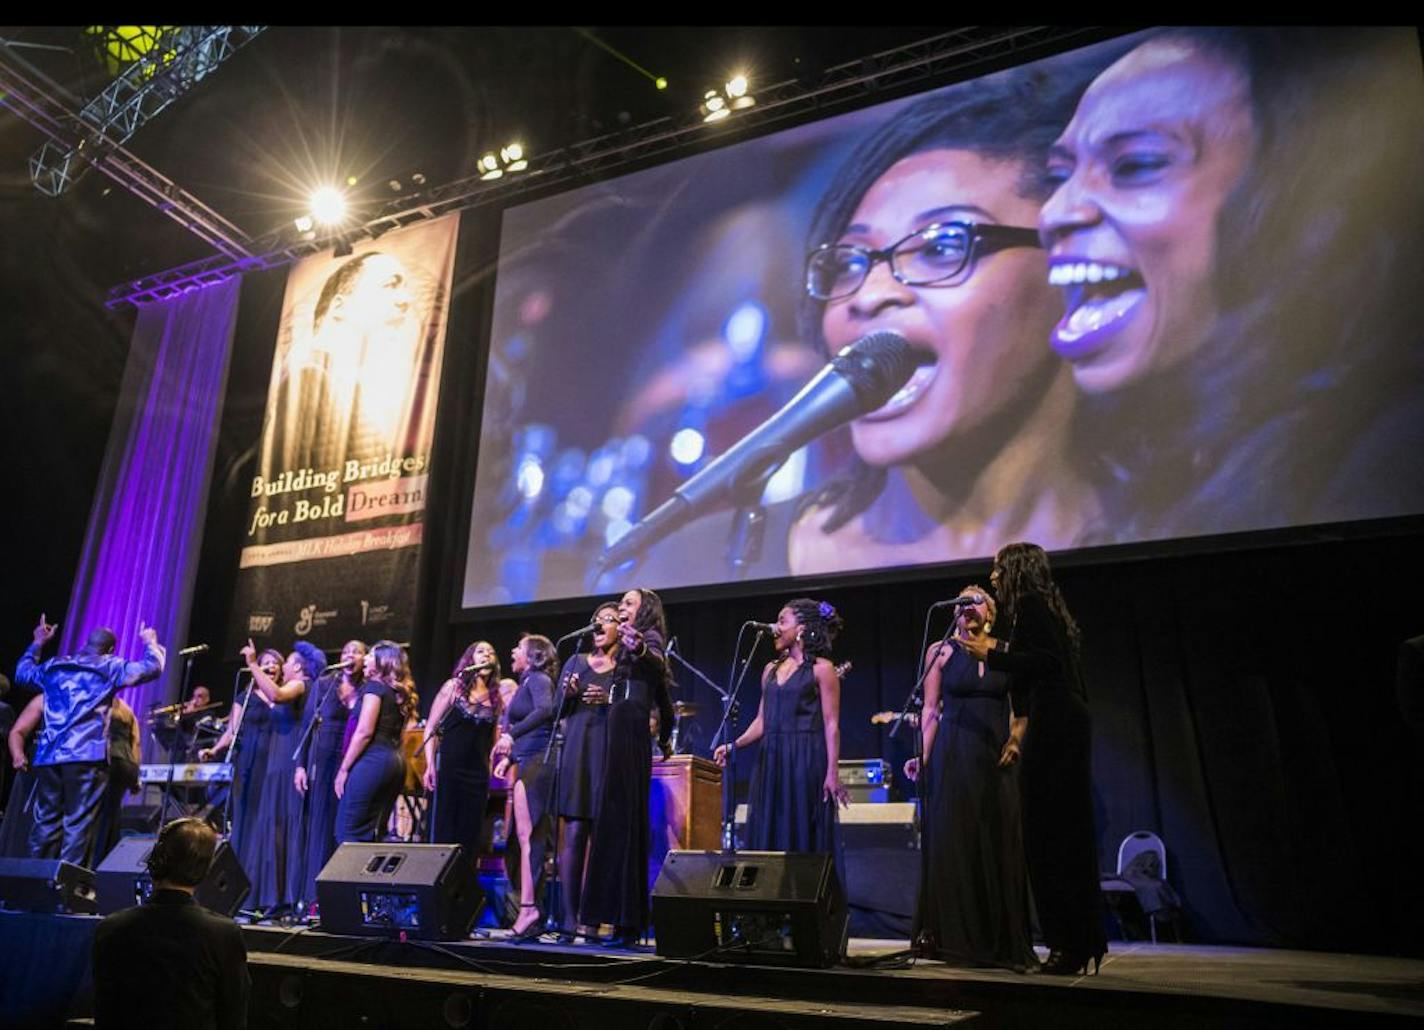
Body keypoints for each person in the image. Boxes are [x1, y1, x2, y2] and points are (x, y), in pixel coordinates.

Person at [632, 65, 1112, 585]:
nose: (868, 294)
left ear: (1066, 261)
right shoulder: (699, 562)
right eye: (849, 262)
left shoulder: (1165, 522)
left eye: (942, 246)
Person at [1039, 27, 1424, 540]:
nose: (1053, 212)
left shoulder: (1390, 447)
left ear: (1288, 199)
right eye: (1059, 174)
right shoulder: (1146, 464)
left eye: (1136, 164)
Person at [955, 542, 1104, 975]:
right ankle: (1075, 942)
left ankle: (1068, 944)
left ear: (1017, 569)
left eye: (999, 568)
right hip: (1060, 721)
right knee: (1059, 834)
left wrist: (991, 654)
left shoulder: (1033, 605)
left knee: (1050, 835)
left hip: (1057, 724)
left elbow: (1044, 663)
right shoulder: (1038, 609)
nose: (994, 577)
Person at [906, 587, 1036, 971]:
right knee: (954, 841)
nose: (967, 606)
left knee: (997, 842)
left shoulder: (1007, 650)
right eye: (961, 601)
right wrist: (922, 755)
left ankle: (1000, 939)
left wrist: (1015, 742)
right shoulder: (940, 652)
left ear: (990, 613)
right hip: (953, 754)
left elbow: (1022, 710)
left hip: (994, 756)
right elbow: (930, 711)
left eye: (976, 599)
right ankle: (953, 939)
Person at [14, 615, 164, 865]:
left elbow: (22, 674)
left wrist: (38, 643)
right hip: (85, 757)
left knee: (46, 822)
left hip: (49, 755)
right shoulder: (111, 666)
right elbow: (153, 668)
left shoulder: (55, 666)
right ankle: (63, 893)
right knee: (78, 824)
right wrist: (150, 642)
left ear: (86, 643)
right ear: (111, 649)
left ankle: (34, 887)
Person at [576, 590, 675, 947]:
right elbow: (663, 697)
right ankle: (609, 919)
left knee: (626, 823)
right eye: (621, 604)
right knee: (612, 824)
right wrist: (666, 733)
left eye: (628, 603)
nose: (621, 608)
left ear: (645, 610)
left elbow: (657, 665)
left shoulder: (648, 639)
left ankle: (628, 923)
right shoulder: (624, 649)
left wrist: (640, 648)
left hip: (631, 735)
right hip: (616, 734)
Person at [716, 599, 848, 860]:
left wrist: (832, 773)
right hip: (772, 758)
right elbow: (762, 721)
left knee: (803, 830)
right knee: (772, 828)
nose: (775, 628)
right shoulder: (770, 670)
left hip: (806, 758)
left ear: (801, 628)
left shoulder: (822, 669)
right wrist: (735, 745)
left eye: (782, 621)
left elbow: (832, 724)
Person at [93, 817, 249, 1030]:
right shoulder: (223, 934)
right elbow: (233, 1018)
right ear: (206, 869)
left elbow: (105, 1013)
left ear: (155, 860)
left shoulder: (111, 928)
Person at [552, 602, 620, 938]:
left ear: (621, 628)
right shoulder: (575, 661)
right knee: (575, 834)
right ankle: (567, 919)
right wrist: (568, 693)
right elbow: (555, 710)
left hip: (606, 754)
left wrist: (610, 698)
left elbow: (643, 714)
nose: (600, 625)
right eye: (597, 619)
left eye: (609, 620)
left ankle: (593, 919)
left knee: (602, 837)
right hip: (578, 754)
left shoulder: (623, 667)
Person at [200, 647, 282, 907]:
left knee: (264, 821)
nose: (269, 666)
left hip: (273, 761)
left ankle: (264, 889)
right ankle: (237, 886)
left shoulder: (281, 693)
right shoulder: (244, 696)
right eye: (265, 663)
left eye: (274, 663)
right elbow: (232, 730)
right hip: (247, 760)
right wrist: (214, 749)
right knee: (242, 819)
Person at [492, 634, 558, 941]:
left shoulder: (538, 679)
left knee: (531, 837)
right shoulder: (530, 680)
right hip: (527, 759)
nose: (512, 651)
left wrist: (510, 736)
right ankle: (529, 908)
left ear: (533, 655)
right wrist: (511, 757)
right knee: (525, 836)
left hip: (537, 761)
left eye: (518, 648)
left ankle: (530, 909)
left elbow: (546, 711)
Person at [246, 641, 318, 913]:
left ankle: (287, 897)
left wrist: (253, 664)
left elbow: (276, 695)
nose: (283, 666)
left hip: (287, 763)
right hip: (275, 764)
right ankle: (272, 897)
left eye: (286, 662)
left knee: (285, 829)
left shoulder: (301, 683)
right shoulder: (294, 685)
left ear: (297, 666)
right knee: (273, 828)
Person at [294, 639, 365, 909]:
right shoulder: (325, 684)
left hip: (351, 760)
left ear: (365, 658)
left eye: (356, 652)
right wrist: (300, 766)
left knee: (342, 826)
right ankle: (313, 897)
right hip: (323, 760)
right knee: (320, 826)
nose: (350, 656)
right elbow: (307, 727)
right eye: (346, 651)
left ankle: (339, 896)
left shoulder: (368, 687)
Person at [423, 641, 504, 862]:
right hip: (449, 770)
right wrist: (429, 765)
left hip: (476, 776)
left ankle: (463, 888)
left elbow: (490, 746)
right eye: (481, 651)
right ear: (470, 659)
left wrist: (488, 777)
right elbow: (430, 727)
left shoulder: (496, 698)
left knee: (469, 835)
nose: (487, 655)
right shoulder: (454, 688)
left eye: (491, 652)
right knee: (444, 829)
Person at [334, 640, 413, 843]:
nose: (366, 658)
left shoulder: (375, 687)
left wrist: (344, 769)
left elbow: (364, 732)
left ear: (382, 662)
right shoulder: (395, 692)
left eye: (370, 655)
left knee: (350, 832)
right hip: (396, 763)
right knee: (375, 831)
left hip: (373, 762)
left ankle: (349, 875)